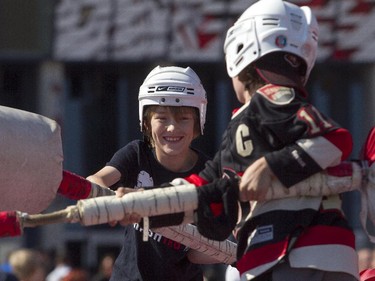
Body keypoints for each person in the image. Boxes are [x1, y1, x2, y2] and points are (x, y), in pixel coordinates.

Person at [187, 0, 357, 280]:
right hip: (324, 254)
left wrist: (271, 166)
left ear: (241, 53)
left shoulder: (270, 99)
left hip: (288, 251)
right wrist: (142, 204)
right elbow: (202, 184)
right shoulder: (246, 120)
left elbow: (335, 139)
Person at [87, 65, 215, 280]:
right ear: (146, 122)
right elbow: (98, 179)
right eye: (162, 118)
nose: (172, 128)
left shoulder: (209, 173)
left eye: (183, 118)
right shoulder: (136, 154)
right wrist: (105, 200)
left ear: (197, 123)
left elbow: (200, 253)